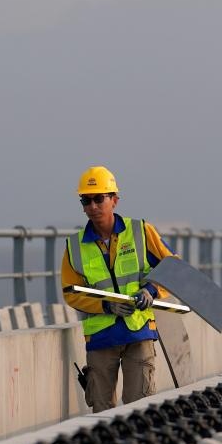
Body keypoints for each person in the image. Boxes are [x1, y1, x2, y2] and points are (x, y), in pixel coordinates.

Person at [62, 166, 177, 412]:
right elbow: (71, 292)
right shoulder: (75, 246)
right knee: (102, 412)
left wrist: (151, 290)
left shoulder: (140, 231)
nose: (93, 206)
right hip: (101, 337)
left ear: (114, 200)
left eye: (99, 198)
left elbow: (173, 267)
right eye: (86, 200)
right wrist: (106, 305)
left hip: (138, 332)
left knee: (140, 408)